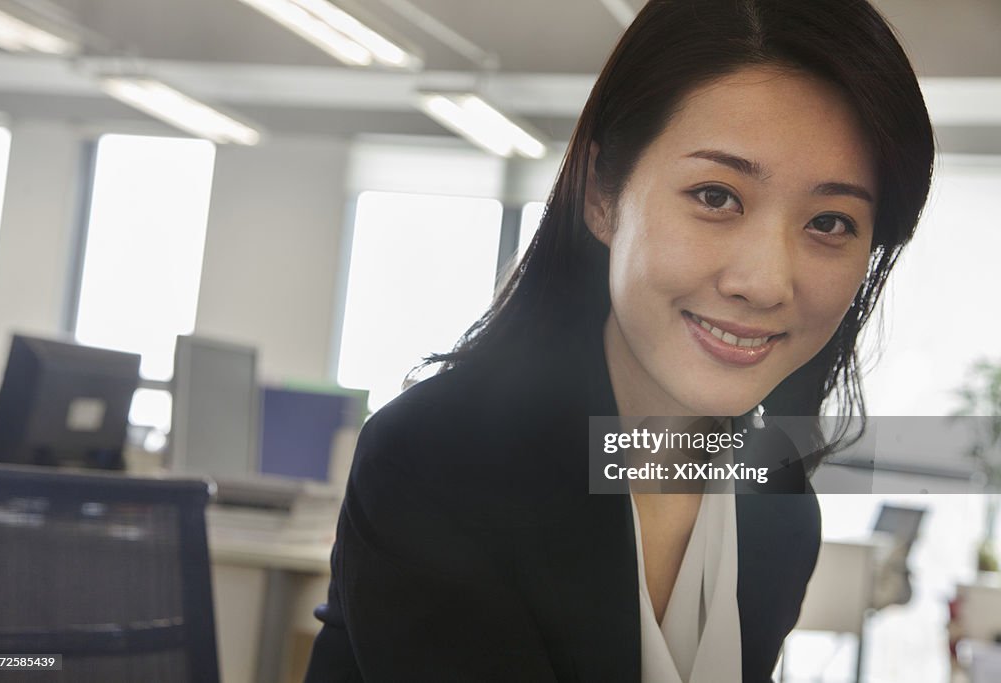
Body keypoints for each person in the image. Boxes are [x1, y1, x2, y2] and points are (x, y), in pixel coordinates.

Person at [305, 0, 935, 680]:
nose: (765, 282)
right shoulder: (439, 458)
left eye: (832, 222)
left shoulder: (776, 515)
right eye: (717, 196)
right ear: (603, 194)